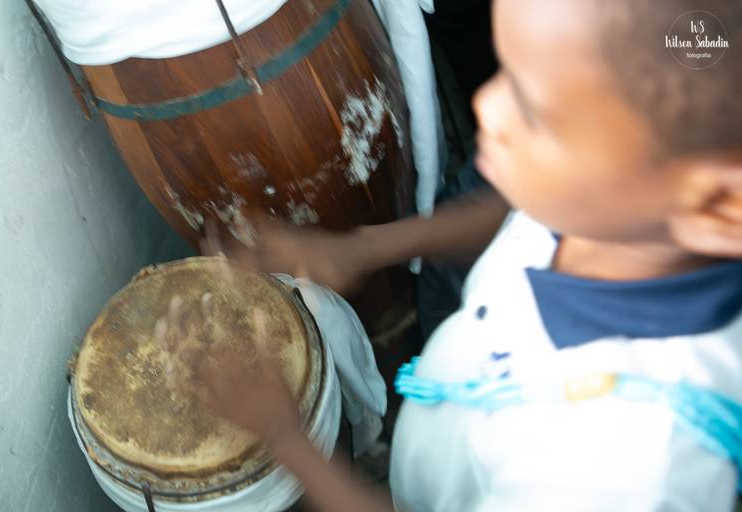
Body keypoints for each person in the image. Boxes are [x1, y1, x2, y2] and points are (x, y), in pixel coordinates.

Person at [166, 0, 742, 509]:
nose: (488, 107)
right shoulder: (631, 210)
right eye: (506, 71)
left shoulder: (625, 472)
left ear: (717, 206)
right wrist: (366, 247)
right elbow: (520, 214)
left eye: (536, 109)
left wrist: (288, 439)